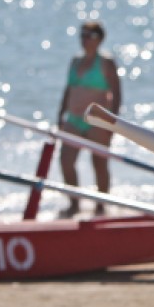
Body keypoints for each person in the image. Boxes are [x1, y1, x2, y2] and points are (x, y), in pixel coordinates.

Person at [56, 21, 122, 216]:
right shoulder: (75, 61)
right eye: (82, 36)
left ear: (99, 39)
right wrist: (60, 114)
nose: (84, 40)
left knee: (99, 163)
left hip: (97, 120)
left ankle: (101, 206)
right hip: (74, 119)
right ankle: (74, 203)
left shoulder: (106, 63)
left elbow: (116, 94)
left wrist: (113, 123)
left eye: (89, 36)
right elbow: (68, 90)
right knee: (66, 161)